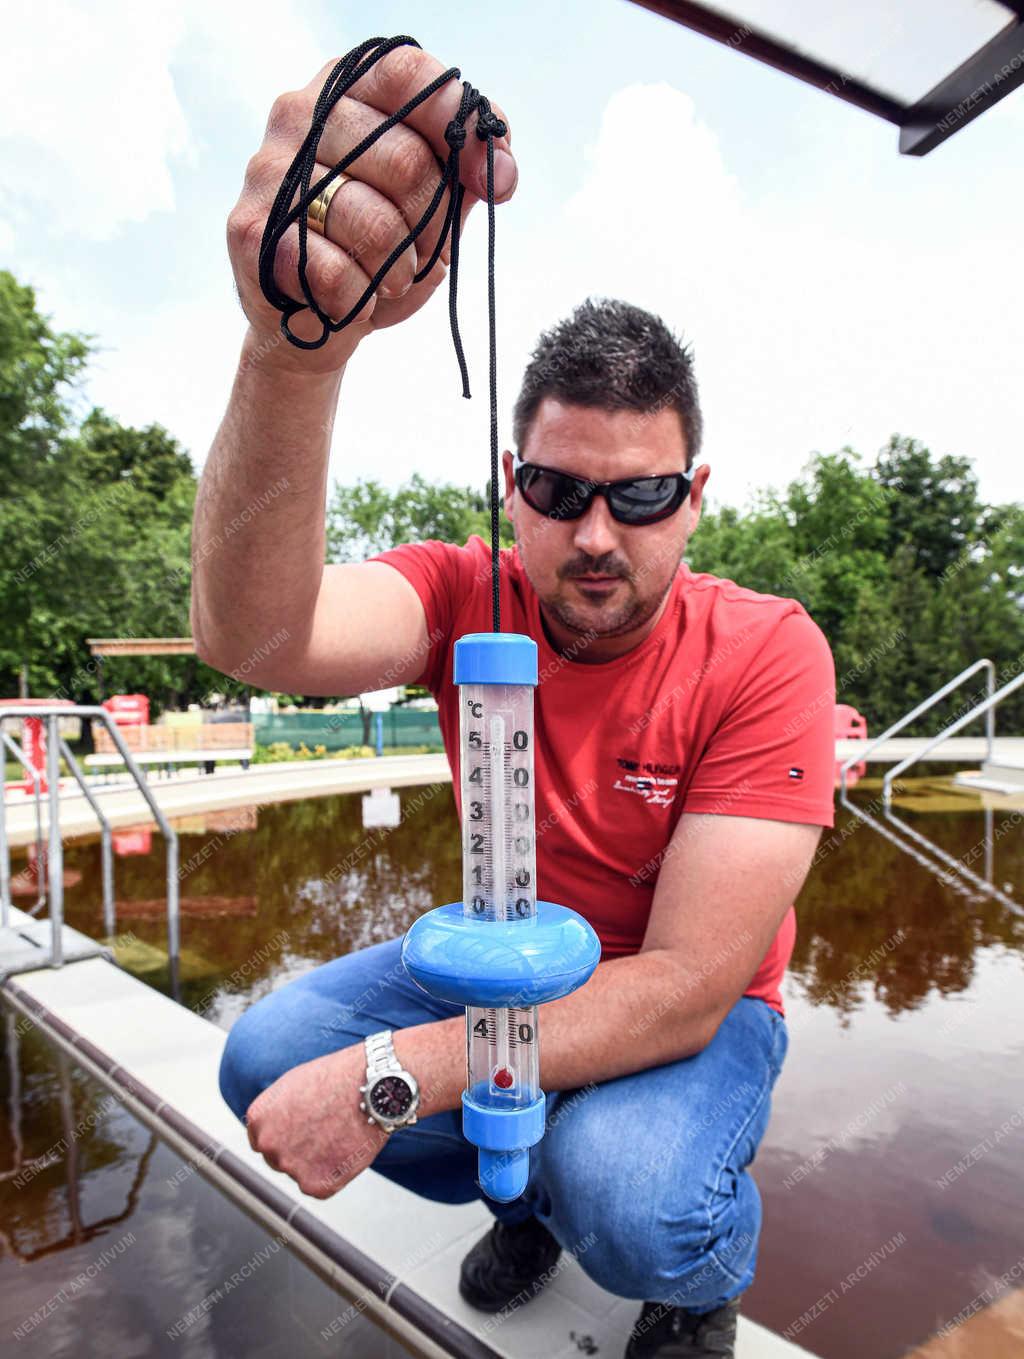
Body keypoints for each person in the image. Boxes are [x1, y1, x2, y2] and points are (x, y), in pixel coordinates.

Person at [193, 44, 835, 1359]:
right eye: (558, 491)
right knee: (263, 1058)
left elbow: (688, 991)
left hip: (670, 992)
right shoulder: (456, 591)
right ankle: (525, 1193)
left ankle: (692, 1276)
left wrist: (392, 1080)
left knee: (637, 1200)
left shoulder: (771, 652)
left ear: (693, 496)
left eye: (641, 495)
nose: (597, 535)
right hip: (512, 954)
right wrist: (294, 355)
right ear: (511, 481)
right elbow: (256, 633)